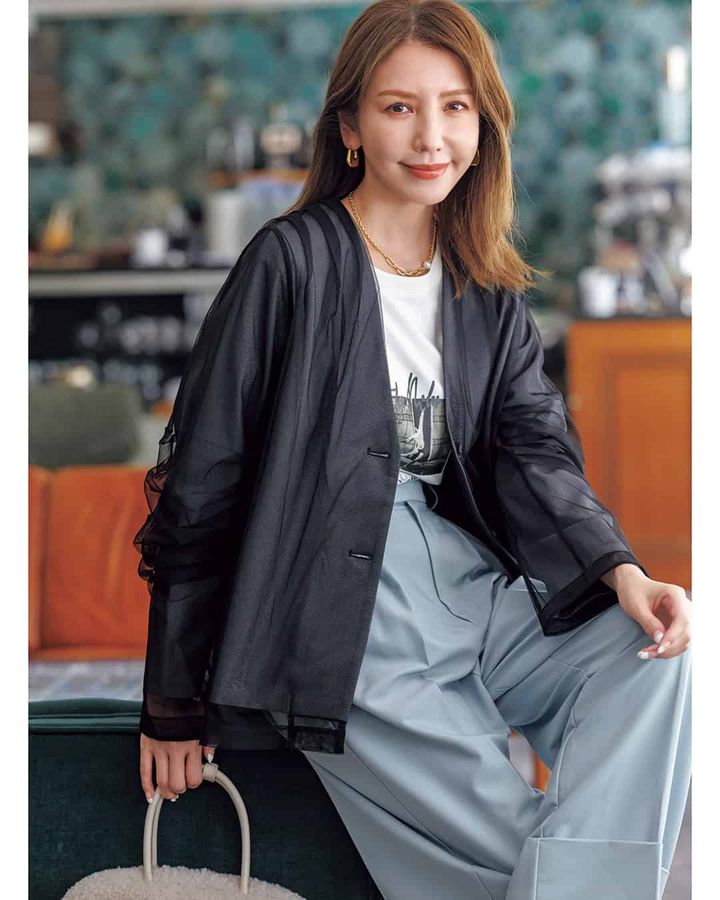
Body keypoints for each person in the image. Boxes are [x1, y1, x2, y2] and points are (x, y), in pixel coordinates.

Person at [137, 2, 691, 897]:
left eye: (455, 107)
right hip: (341, 599)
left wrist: (620, 570)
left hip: (470, 582)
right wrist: (172, 699)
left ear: (483, 125)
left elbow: (534, 450)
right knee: (519, 856)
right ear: (350, 127)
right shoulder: (291, 263)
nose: (432, 136)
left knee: (658, 658)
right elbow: (203, 478)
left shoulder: (485, 283)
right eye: (399, 107)